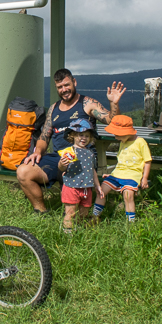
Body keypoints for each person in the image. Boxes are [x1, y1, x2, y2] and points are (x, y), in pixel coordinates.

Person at [17, 68, 125, 215]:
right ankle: (41, 212)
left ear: (74, 82)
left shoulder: (87, 104)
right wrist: (38, 151)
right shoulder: (54, 109)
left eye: (67, 85)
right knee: (23, 171)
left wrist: (114, 104)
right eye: (60, 87)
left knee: (70, 170)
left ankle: (73, 214)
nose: (64, 90)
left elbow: (113, 121)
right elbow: (44, 136)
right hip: (59, 158)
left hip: (82, 158)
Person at [92, 115, 151, 222]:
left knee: (128, 196)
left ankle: (130, 222)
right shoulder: (123, 142)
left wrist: (145, 178)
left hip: (132, 176)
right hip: (117, 174)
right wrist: (112, 173)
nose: (116, 137)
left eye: (118, 134)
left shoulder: (140, 142)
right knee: (101, 191)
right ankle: (95, 216)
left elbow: (147, 161)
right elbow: (122, 161)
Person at [56, 119, 102, 234]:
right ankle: (68, 233)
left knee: (83, 213)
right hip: (72, 186)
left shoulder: (90, 153)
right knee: (70, 212)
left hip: (87, 188)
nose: (84, 138)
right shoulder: (69, 151)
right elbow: (62, 167)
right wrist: (62, 165)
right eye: (80, 135)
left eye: (87, 136)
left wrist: (98, 186)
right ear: (73, 136)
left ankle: (79, 231)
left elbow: (92, 170)